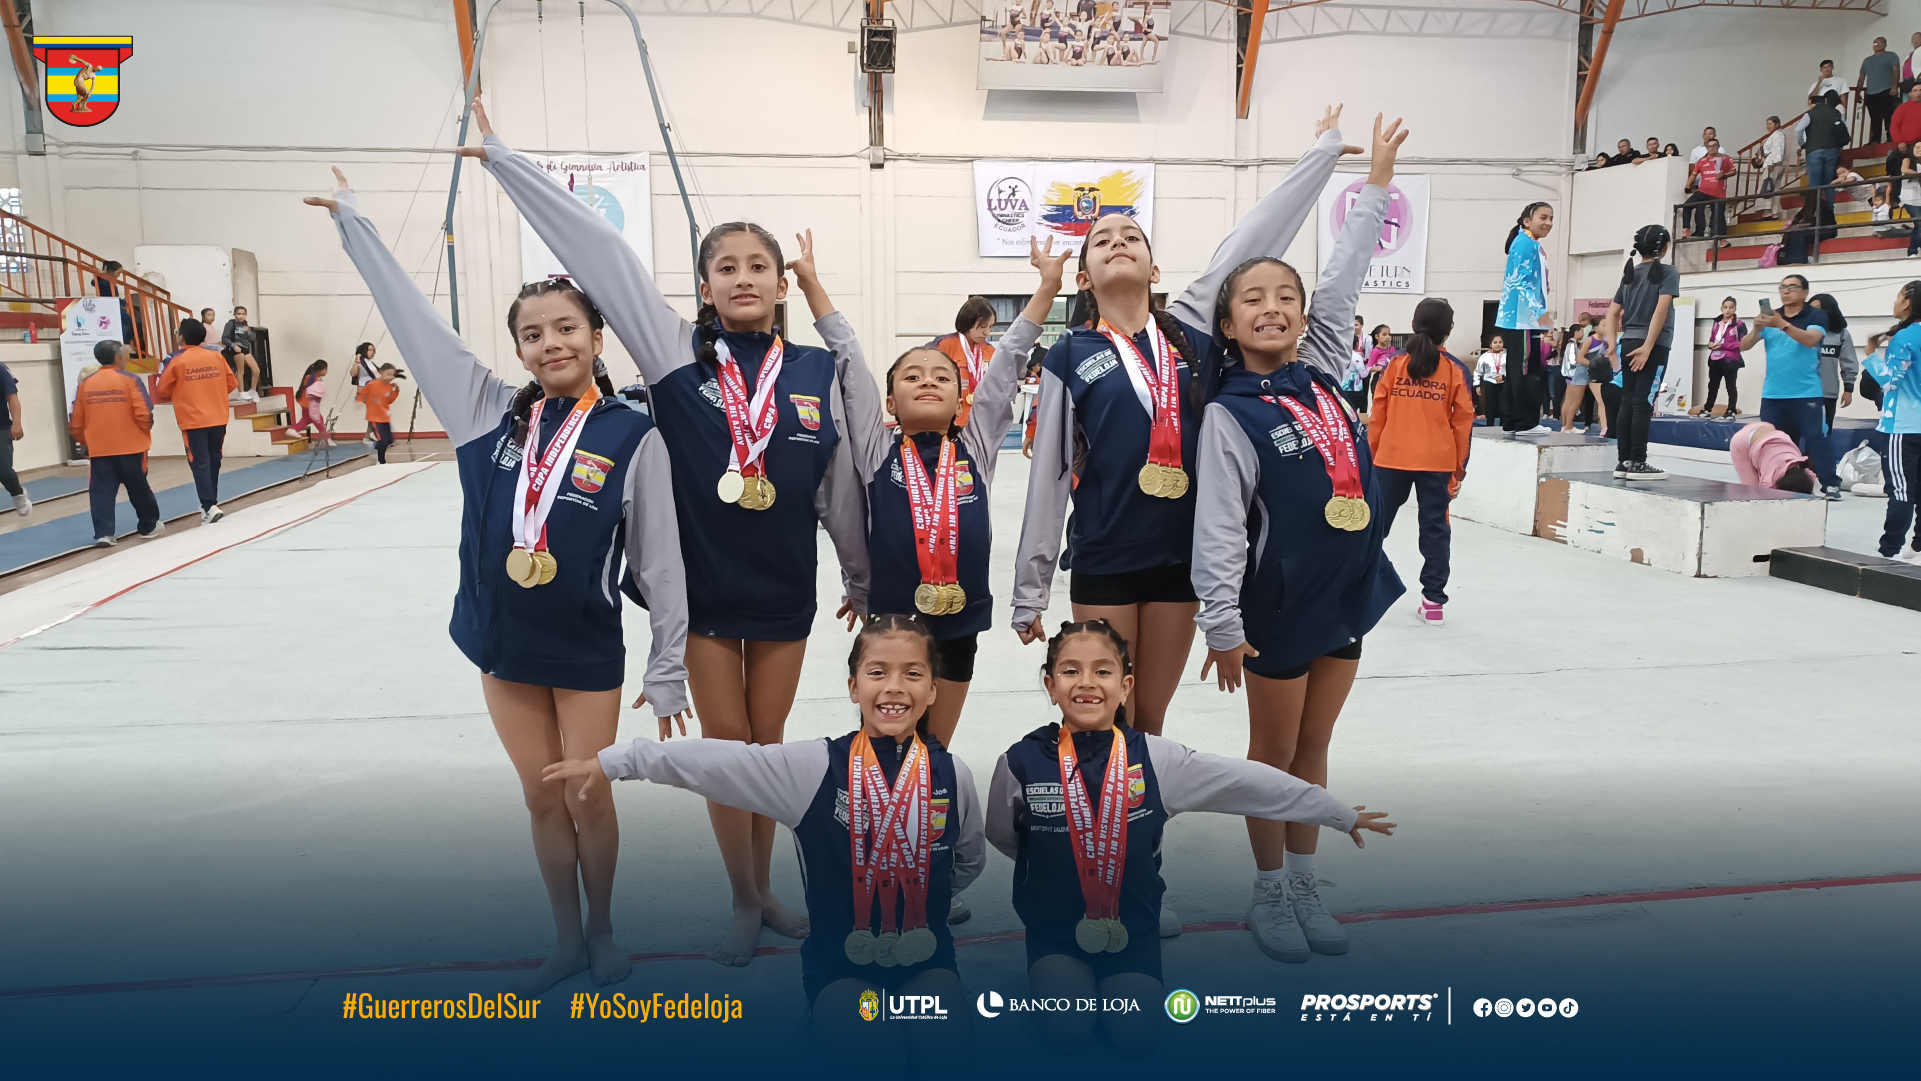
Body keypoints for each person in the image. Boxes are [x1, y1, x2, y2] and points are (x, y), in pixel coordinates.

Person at [465, 99, 871, 967]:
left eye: (758, 266)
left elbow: (836, 486)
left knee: (767, 749)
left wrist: (859, 576)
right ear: (704, 287)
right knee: (726, 752)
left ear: (781, 284)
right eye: (725, 267)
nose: (742, 278)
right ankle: (744, 898)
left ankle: (767, 888)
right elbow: (599, 255)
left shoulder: (815, 368)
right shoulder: (671, 351)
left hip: (785, 588)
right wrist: (506, 162)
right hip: (704, 592)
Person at [308, 166, 691, 995]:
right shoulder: (484, 413)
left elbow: (660, 563)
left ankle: (603, 931)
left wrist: (667, 666)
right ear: (517, 348)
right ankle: (566, 938)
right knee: (541, 798)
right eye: (532, 333)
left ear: (597, 336)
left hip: (583, 646)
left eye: (567, 327)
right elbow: (415, 325)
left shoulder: (634, 435)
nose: (551, 343)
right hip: (501, 642)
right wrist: (354, 223)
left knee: (587, 793)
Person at [1012, 104, 1362, 765]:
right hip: (1104, 555)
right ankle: (1095, 822)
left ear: (1155, 270)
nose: (1118, 241)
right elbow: (1048, 479)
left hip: (1178, 561)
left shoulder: (1192, 330)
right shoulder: (1068, 355)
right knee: (1103, 717)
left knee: (1148, 717)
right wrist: (1030, 587)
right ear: (1083, 276)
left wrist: (1320, 156)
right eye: (1101, 239)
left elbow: (1254, 237)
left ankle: (1140, 820)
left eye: (1132, 236)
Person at [545, 615, 981, 1066]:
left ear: (933, 690)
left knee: (949, 1057)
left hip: (925, 964)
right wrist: (619, 761)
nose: (894, 687)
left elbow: (966, 861)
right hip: (844, 971)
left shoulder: (953, 775)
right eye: (877, 672)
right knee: (878, 1056)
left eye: (912, 673)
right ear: (854, 687)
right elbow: (722, 762)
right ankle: (831, 1015)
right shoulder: (815, 768)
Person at [1189, 114, 1405, 964]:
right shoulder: (1229, 414)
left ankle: (1307, 882)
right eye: (1252, 299)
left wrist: (1374, 184)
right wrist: (1221, 623)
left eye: (1286, 296)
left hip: (1347, 592)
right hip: (1277, 605)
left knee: (1316, 746)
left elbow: (1343, 273)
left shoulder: (1321, 377)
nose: (1273, 307)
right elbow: (1216, 529)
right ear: (1227, 325)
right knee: (1272, 752)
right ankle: (1269, 890)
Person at [987, 622, 1394, 1052]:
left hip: (1132, 931)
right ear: (1051, 686)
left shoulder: (1156, 759)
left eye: (1102, 671)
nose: (1087, 682)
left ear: (1125, 687)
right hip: (1055, 933)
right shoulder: (1021, 761)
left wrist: (1337, 813)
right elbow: (1003, 833)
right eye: (1071, 671)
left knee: (1135, 1038)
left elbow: (1248, 783)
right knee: (1067, 1034)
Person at [829, 236, 1062, 756]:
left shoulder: (975, 448)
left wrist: (1047, 288)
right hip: (892, 622)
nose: (927, 381)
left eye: (942, 376)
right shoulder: (876, 448)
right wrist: (810, 283)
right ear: (891, 402)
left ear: (962, 400)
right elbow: (849, 362)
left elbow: (1008, 361)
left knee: (933, 749)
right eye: (911, 376)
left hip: (960, 622)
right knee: (884, 744)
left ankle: (925, 804)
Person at [1369, 298, 1472, 626]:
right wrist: (1458, 471)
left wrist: (1371, 459)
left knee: (1372, 529)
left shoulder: (1394, 364)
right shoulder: (1456, 370)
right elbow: (1463, 423)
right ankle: (1433, 602)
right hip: (1437, 462)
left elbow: (1378, 415)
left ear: (1414, 326)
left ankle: (1358, 588)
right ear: (1449, 330)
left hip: (1390, 458)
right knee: (1435, 530)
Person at [1741, 274, 1839, 494]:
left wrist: (1782, 324)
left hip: (1806, 393)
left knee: (1816, 439)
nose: (1786, 291)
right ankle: (1779, 482)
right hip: (1773, 395)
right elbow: (1743, 346)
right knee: (1773, 442)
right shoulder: (1771, 317)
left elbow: (1810, 340)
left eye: (1792, 287)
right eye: (1782, 287)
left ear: (1805, 292)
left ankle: (1830, 483)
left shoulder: (1815, 315)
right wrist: (1756, 330)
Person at [70, 340, 163, 547]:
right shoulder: (130, 380)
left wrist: (86, 441)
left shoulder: (86, 384)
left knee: (101, 492)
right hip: (132, 447)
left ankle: (104, 533)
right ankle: (148, 526)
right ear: (117, 357)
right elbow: (143, 413)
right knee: (139, 488)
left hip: (100, 449)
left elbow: (76, 422)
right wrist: (142, 433)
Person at [1604, 225, 1677, 482]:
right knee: (1643, 402)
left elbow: (1612, 313)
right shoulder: (1668, 272)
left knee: (1628, 400)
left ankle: (1623, 461)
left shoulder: (1630, 273)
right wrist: (1648, 346)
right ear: (1665, 248)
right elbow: (1661, 310)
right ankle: (1637, 462)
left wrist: (1612, 344)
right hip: (1653, 344)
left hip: (1628, 341)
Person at [153, 317, 238, 524]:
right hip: (218, 417)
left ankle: (209, 506)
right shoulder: (216, 357)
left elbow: (161, 391)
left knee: (200, 462)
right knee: (214, 460)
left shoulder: (177, 360)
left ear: (181, 337)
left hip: (192, 421)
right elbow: (231, 383)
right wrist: (212, 394)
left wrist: (184, 392)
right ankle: (211, 503)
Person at [1863, 280, 1921, 561]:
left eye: (1898, 297)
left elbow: (1889, 380)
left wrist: (1870, 356)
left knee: (1901, 490)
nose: (1895, 302)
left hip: (1903, 426)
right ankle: (1918, 546)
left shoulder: (1905, 337)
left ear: (1908, 302)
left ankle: (1889, 551)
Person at [1496, 201, 1554, 433]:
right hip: (1522, 319)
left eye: (1551, 218)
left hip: (1523, 318)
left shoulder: (1530, 243)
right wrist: (1540, 312)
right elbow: (1519, 281)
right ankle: (1525, 422)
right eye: (1543, 217)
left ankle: (1513, 421)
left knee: (1518, 370)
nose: (1548, 223)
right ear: (1527, 221)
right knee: (1525, 370)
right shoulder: (1525, 243)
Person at [1808, 293, 1860, 499]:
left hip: (1827, 393)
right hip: (1802, 393)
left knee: (1823, 436)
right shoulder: (1803, 330)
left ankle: (1827, 481)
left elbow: (1849, 361)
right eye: (1812, 307)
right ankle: (1798, 477)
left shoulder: (1841, 334)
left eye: (1819, 307)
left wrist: (1849, 388)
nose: (1815, 312)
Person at [933, 296, 998, 429]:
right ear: (968, 321)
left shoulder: (991, 351)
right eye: (982, 326)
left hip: (982, 421)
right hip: (950, 422)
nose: (987, 332)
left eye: (991, 327)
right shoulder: (945, 345)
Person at [1728, 421, 1821, 494]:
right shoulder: (1768, 483)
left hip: (1767, 428)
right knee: (1751, 492)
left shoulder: (1807, 473)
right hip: (1742, 440)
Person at [1803, 91, 1851, 209]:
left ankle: (1815, 210)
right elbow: (1842, 127)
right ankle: (1829, 209)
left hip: (1814, 150)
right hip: (1832, 150)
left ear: (1813, 104)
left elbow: (1799, 130)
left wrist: (1802, 143)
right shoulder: (1835, 112)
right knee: (1829, 181)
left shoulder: (1809, 114)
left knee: (1814, 183)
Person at [1704, 296, 1747, 417]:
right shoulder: (1716, 323)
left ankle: (1731, 409)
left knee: (1730, 385)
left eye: (1731, 307)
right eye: (1725, 307)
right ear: (1721, 308)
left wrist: (1724, 346)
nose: (1728, 310)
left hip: (1730, 359)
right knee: (1712, 385)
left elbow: (1743, 343)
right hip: (1715, 358)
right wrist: (1710, 344)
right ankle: (1707, 409)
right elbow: (1712, 339)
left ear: (1735, 309)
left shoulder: (1739, 324)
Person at [1687, 138, 1734, 242]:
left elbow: (1733, 171)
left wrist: (1724, 175)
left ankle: (1721, 239)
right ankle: (1690, 230)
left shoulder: (1725, 159)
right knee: (1689, 206)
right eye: (1709, 146)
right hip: (1703, 190)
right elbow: (1693, 174)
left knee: (1718, 215)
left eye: (1714, 146)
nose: (1712, 148)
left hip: (1718, 192)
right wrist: (1688, 184)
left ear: (1718, 147)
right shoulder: (1701, 161)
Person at [355, 362, 401, 464]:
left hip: (385, 416)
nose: (390, 377)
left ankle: (374, 446)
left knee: (389, 440)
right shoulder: (373, 384)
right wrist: (358, 401)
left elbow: (388, 401)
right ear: (381, 372)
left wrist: (395, 391)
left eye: (392, 375)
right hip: (375, 417)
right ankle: (381, 460)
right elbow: (362, 393)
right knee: (383, 440)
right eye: (388, 374)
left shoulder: (389, 387)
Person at [1863, 38, 1904, 144]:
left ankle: (1890, 137)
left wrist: (1894, 86)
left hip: (1886, 90)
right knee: (1874, 117)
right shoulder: (1867, 60)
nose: (1876, 44)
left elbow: (1896, 71)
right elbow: (1862, 76)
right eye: (1875, 43)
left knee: (1888, 115)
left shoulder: (1891, 56)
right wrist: (1858, 92)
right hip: (1870, 92)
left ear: (1885, 45)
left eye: (1879, 42)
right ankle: (1876, 139)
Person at [285, 360, 334, 448]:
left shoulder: (313, 378)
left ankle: (325, 438)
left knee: (309, 419)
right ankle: (326, 439)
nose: (327, 371)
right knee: (318, 420)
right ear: (320, 370)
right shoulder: (311, 378)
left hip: (307, 403)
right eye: (325, 369)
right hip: (308, 403)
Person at [1, 360, 26, 515]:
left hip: (1, 427)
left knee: (3, 470)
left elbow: (12, 397)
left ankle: (18, 494)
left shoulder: (0, 369)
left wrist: (17, 423)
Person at [1761, 116, 1789, 218]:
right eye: (1767, 124)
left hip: (1773, 164)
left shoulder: (1777, 135)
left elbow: (1778, 151)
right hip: (1778, 164)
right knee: (1775, 188)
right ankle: (1774, 212)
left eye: (1770, 124)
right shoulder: (1777, 135)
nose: (1768, 126)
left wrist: (1771, 163)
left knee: (1768, 185)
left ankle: (1768, 210)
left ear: (1776, 124)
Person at [1475, 335, 1506, 424]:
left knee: (1503, 408)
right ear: (1490, 344)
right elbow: (1478, 372)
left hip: (1503, 384)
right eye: (1495, 342)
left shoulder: (1507, 355)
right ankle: (1489, 426)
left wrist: (1503, 377)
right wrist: (1477, 385)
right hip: (1489, 383)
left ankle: (1503, 427)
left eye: (1500, 342)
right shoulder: (1484, 356)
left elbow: (1511, 370)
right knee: (1490, 408)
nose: (1498, 344)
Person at [1894, 83, 1921, 147]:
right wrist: (1900, 142)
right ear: (1910, 93)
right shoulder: (1902, 108)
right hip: (1907, 145)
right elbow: (1894, 126)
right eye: (1915, 91)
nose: (1918, 93)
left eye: (1920, 90)